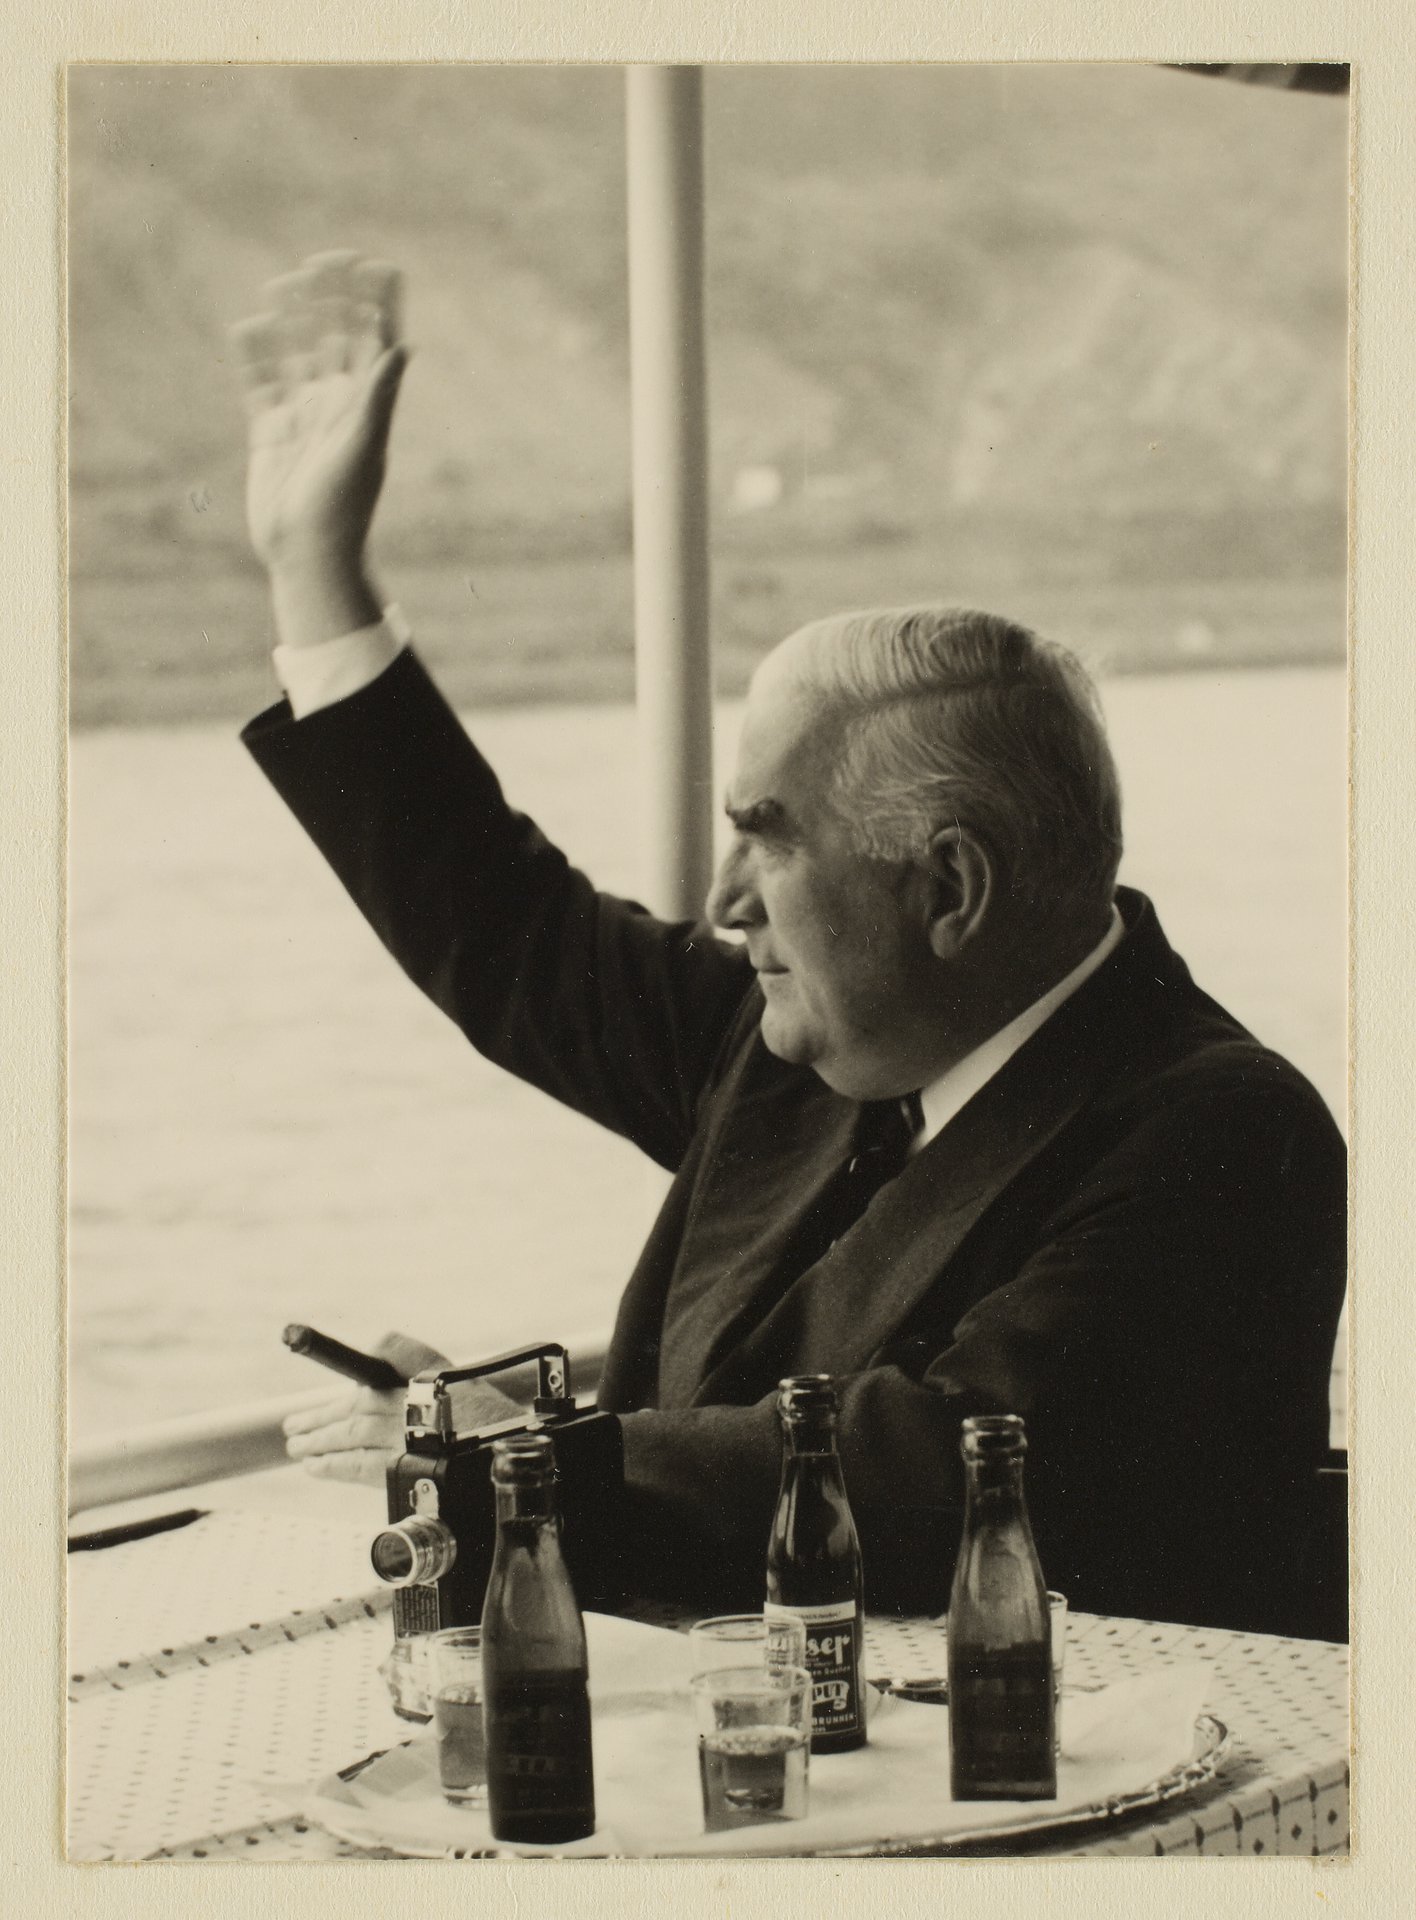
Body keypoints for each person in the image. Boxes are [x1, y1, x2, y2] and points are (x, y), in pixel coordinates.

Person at [233, 255, 1346, 1632]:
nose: (724, 904)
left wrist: (523, 1461)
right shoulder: (784, 1038)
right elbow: (505, 930)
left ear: (950, 887)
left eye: (768, 840)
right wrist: (316, 575)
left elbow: (940, 1467)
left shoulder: (1227, 1132)